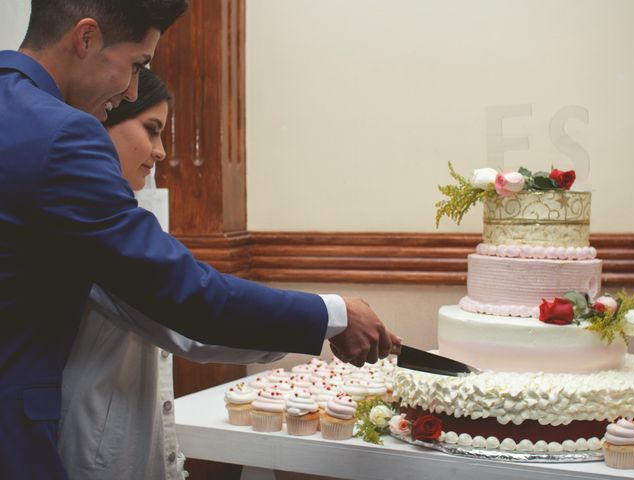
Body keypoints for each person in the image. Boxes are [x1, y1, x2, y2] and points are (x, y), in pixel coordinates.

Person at [0, 1, 398, 478]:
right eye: (136, 66)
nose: (129, 90)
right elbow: (185, 296)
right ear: (86, 38)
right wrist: (333, 314)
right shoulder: (65, 134)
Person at [59, 67, 290, 480]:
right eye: (151, 130)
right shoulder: (94, 220)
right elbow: (192, 317)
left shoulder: (121, 212)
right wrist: (328, 319)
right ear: (101, 122)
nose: (162, 151)